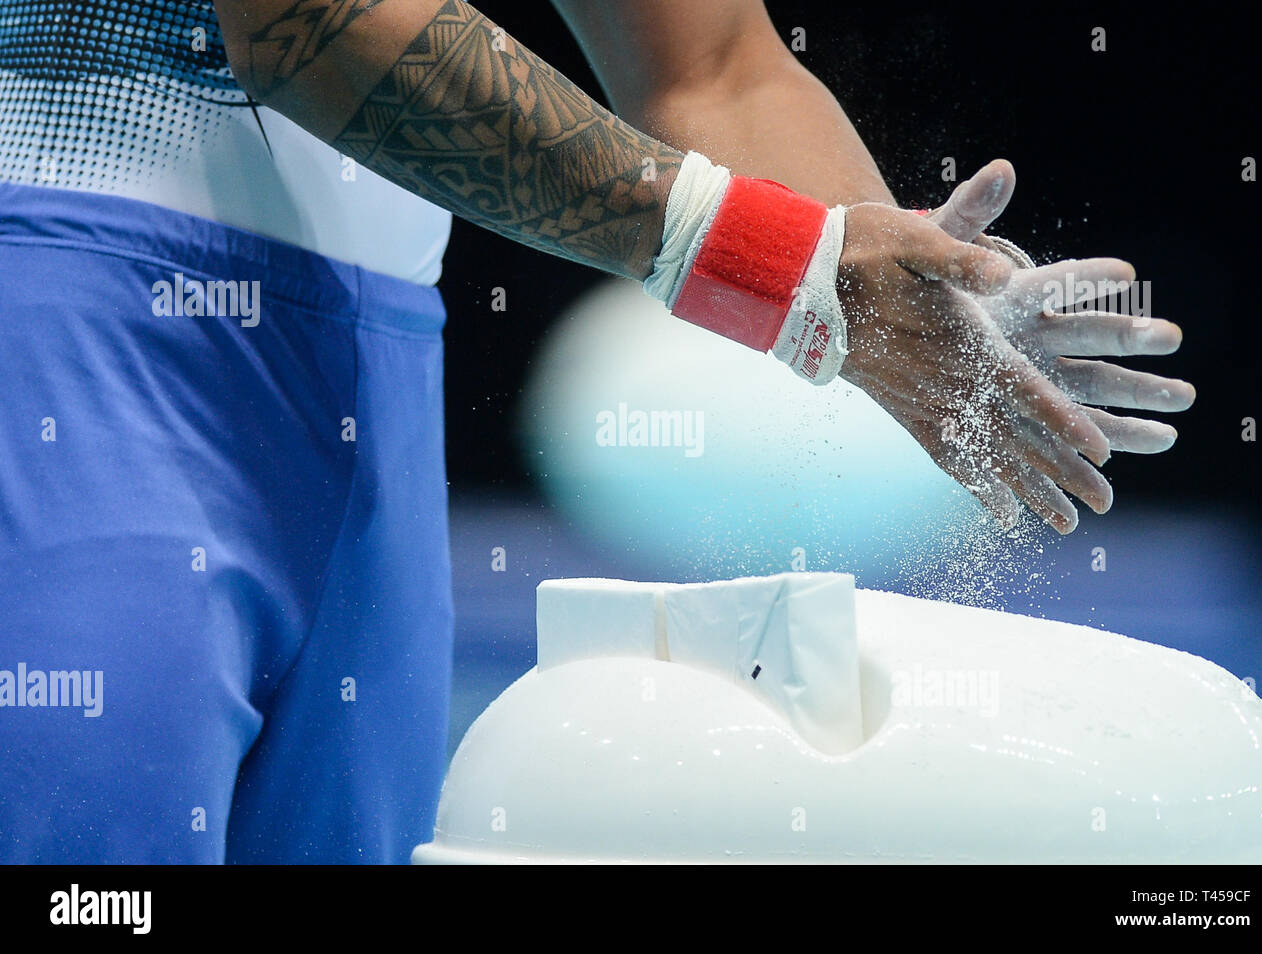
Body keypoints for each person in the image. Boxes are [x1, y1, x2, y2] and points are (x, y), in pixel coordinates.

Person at [0, 0, 1192, 863]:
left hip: (372, 376)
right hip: (74, 309)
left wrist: (920, 287)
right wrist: (785, 267)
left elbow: (711, 66)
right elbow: (308, 17)